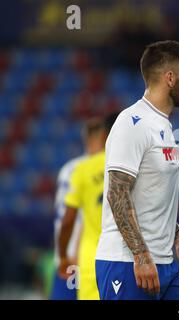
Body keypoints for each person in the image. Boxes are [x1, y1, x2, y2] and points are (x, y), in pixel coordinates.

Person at [95, 40, 179, 300]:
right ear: (169, 78)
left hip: (165, 263)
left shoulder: (162, 125)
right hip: (127, 263)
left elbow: (150, 196)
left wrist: (178, 238)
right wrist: (141, 255)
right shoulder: (132, 122)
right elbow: (117, 193)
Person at [58, 114, 117, 300]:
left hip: (93, 258)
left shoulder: (82, 169)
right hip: (127, 257)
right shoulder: (136, 165)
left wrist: (63, 256)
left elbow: (68, 219)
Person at [50, 118, 105, 300]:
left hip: (70, 258)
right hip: (86, 257)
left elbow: (65, 217)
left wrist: (63, 255)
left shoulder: (71, 169)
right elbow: (74, 217)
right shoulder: (105, 166)